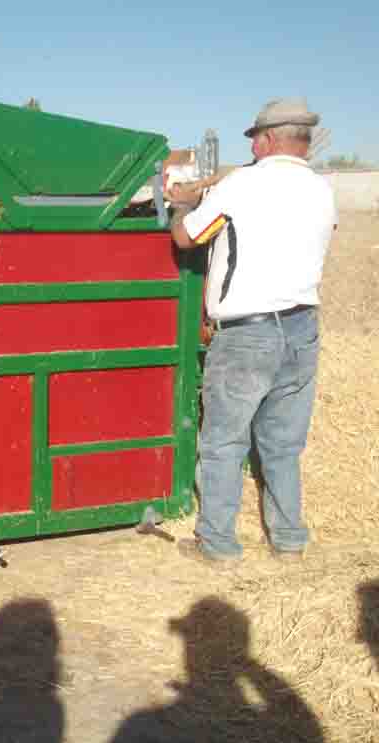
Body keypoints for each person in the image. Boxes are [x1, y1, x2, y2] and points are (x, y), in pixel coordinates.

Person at [169, 97, 336, 564]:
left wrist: (182, 206)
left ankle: (218, 545)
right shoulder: (322, 190)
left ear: (264, 140)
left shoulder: (242, 185)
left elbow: (188, 238)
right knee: (282, 444)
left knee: (223, 440)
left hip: (247, 333)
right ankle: (288, 540)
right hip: (303, 328)